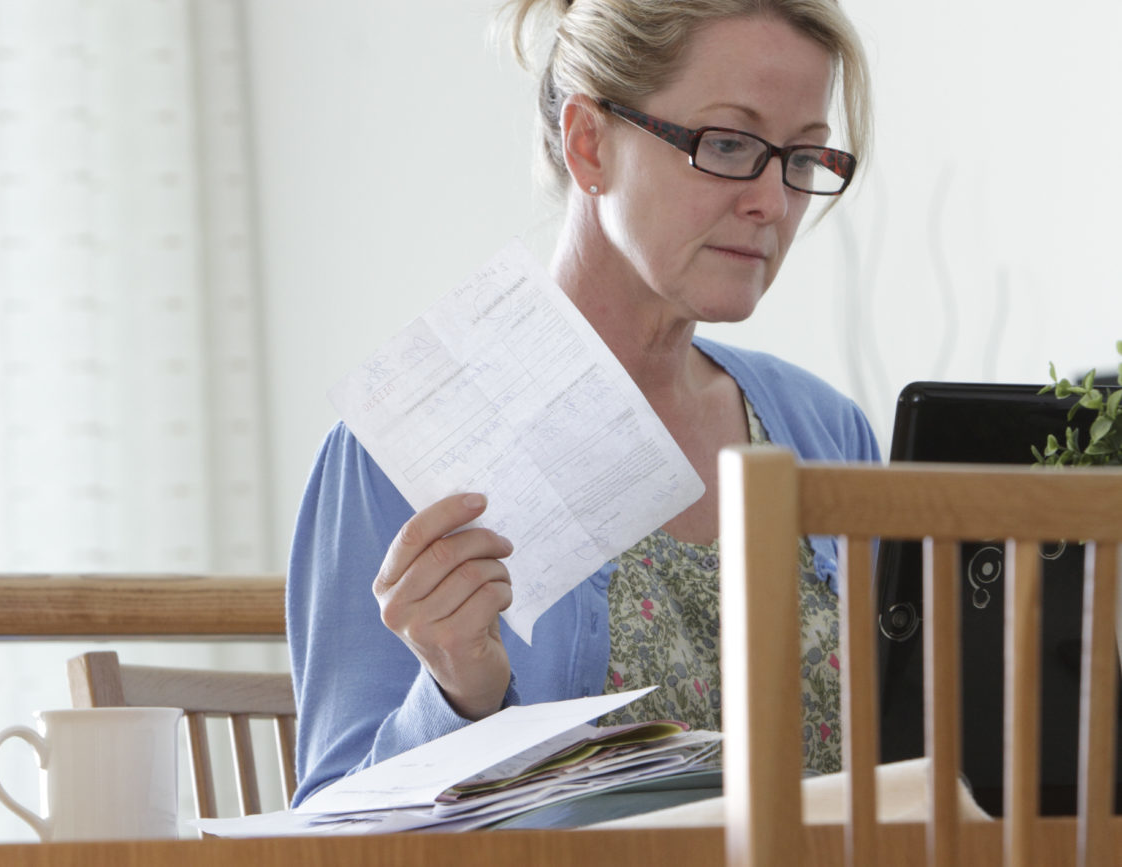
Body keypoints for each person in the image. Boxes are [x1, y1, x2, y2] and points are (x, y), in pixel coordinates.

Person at [287, 0, 880, 806]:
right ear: (588, 142)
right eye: (730, 144)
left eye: (802, 158)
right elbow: (328, 827)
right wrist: (459, 695)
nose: (773, 203)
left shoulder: (828, 429)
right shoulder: (401, 446)